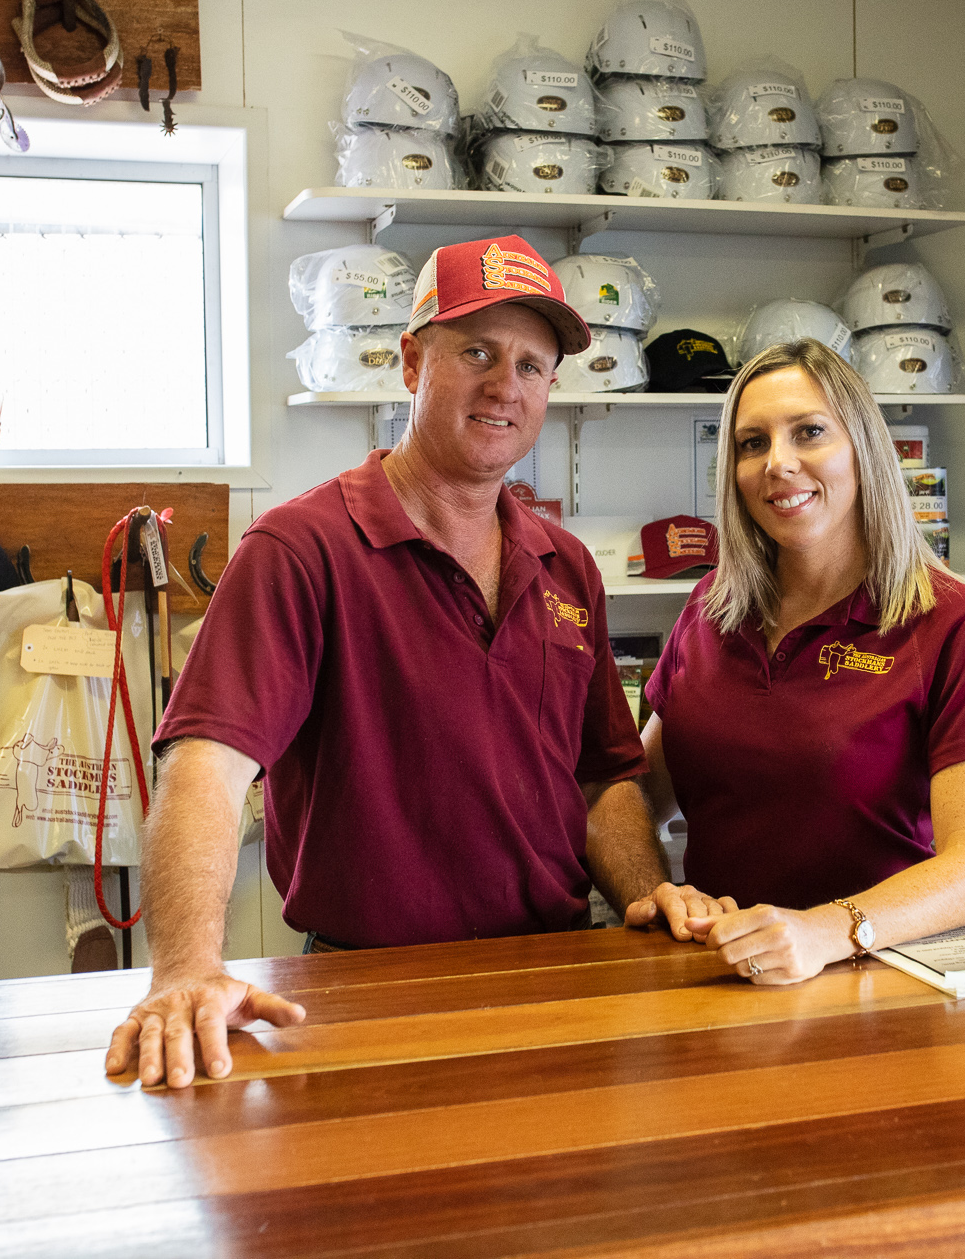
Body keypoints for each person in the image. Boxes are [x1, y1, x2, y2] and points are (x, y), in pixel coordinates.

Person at [105, 235, 727, 1088]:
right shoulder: (301, 549)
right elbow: (206, 767)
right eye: (476, 351)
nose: (505, 384)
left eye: (532, 365)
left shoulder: (566, 565)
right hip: (362, 986)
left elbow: (602, 777)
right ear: (410, 361)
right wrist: (184, 970)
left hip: (558, 974)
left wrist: (645, 893)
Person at [640, 338, 965, 984]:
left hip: (877, 981)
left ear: (863, 450)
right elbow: (640, 793)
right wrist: (661, 886)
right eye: (752, 443)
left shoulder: (949, 620)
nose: (779, 463)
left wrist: (825, 931)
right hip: (719, 980)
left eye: (809, 432)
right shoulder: (709, 611)